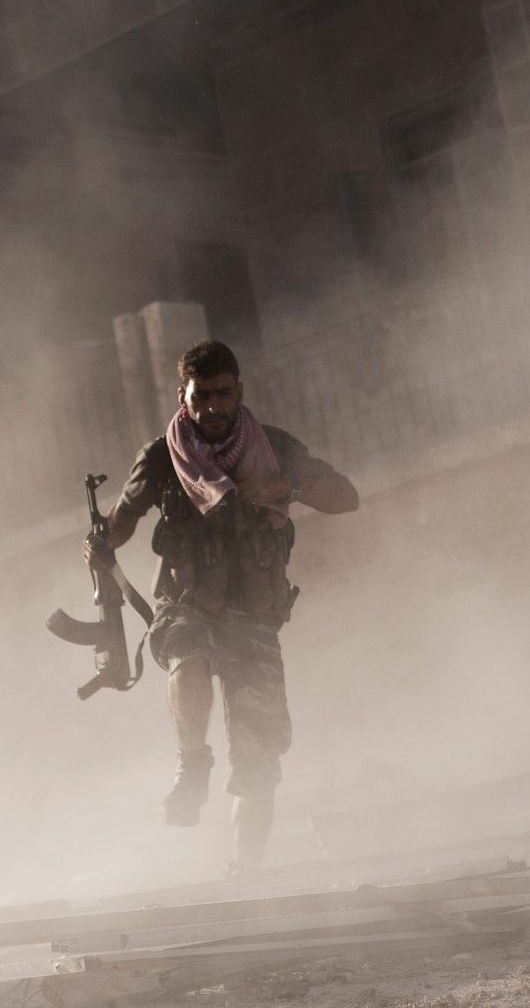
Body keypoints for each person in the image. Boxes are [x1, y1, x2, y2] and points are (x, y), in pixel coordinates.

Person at [86, 340, 358, 874]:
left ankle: (247, 876)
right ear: (183, 397)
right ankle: (193, 767)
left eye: (223, 394)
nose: (213, 407)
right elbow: (120, 521)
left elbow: (346, 495)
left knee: (259, 762)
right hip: (187, 601)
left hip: (254, 617)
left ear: (240, 392)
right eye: (202, 396)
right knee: (188, 654)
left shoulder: (274, 448)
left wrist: (288, 485)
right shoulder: (162, 458)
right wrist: (99, 543)